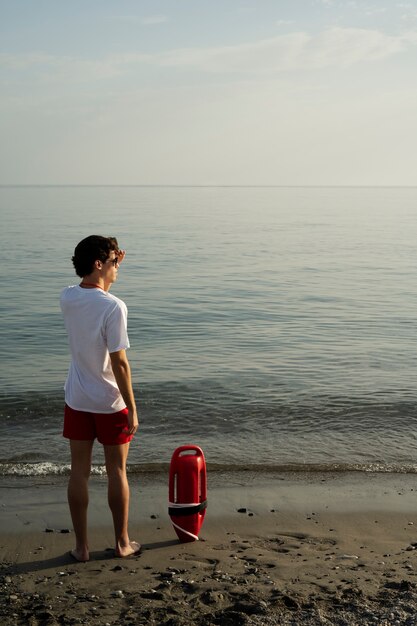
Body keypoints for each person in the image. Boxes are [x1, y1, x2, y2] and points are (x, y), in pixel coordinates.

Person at [60, 235, 139, 562]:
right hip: (109, 402)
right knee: (116, 471)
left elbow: (91, 286)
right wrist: (132, 408)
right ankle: (122, 543)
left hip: (78, 398)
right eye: (112, 261)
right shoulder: (114, 307)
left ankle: (81, 548)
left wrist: (112, 260)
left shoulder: (66, 297)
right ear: (98, 264)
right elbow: (119, 362)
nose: (117, 266)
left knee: (79, 472)